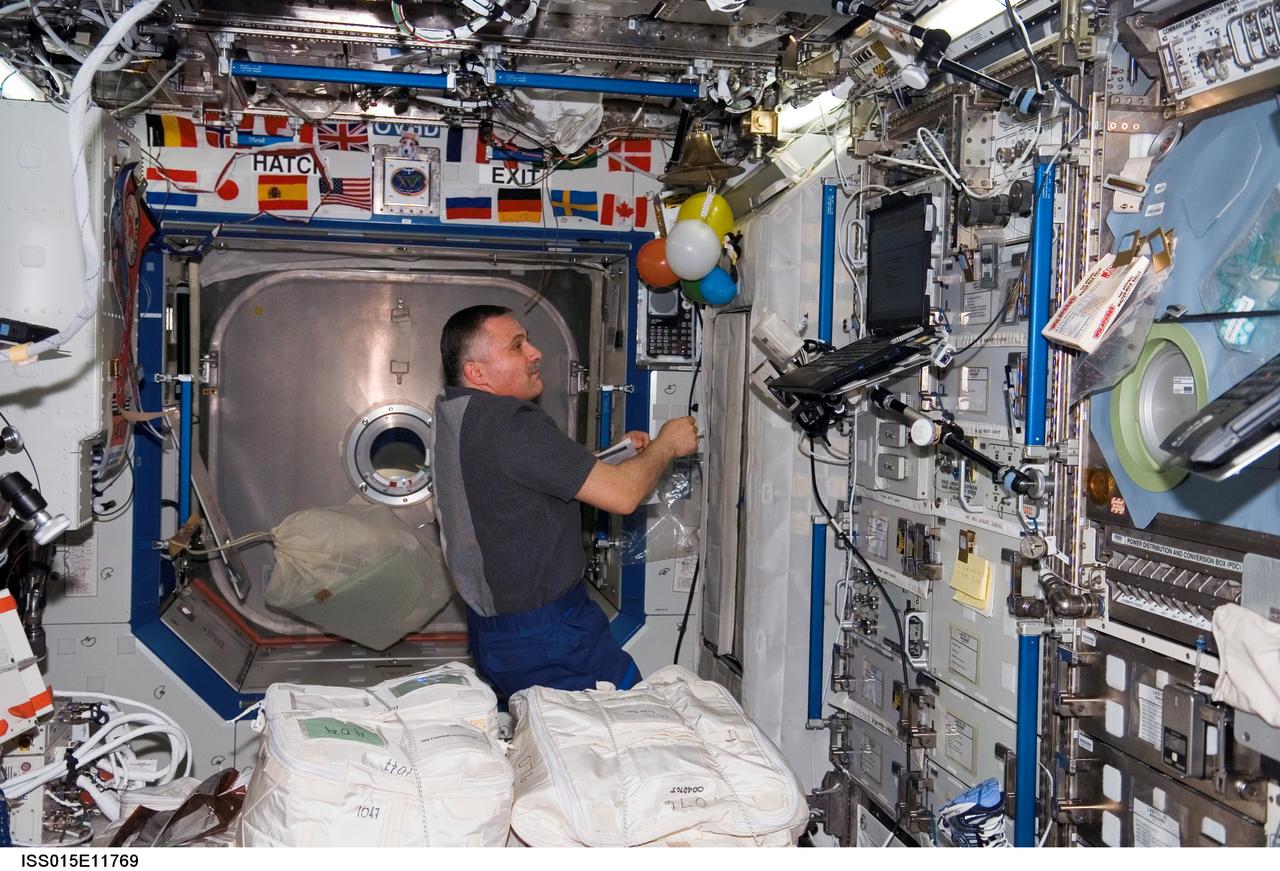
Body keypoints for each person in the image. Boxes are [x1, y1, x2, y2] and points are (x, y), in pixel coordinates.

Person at [432, 304, 699, 699]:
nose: (535, 352)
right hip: (550, 636)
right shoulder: (511, 421)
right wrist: (666, 446)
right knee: (627, 732)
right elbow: (623, 497)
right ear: (478, 373)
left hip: (497, 634)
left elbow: (514, 481)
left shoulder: (455, 414)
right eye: (517, 346)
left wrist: (615, 459)